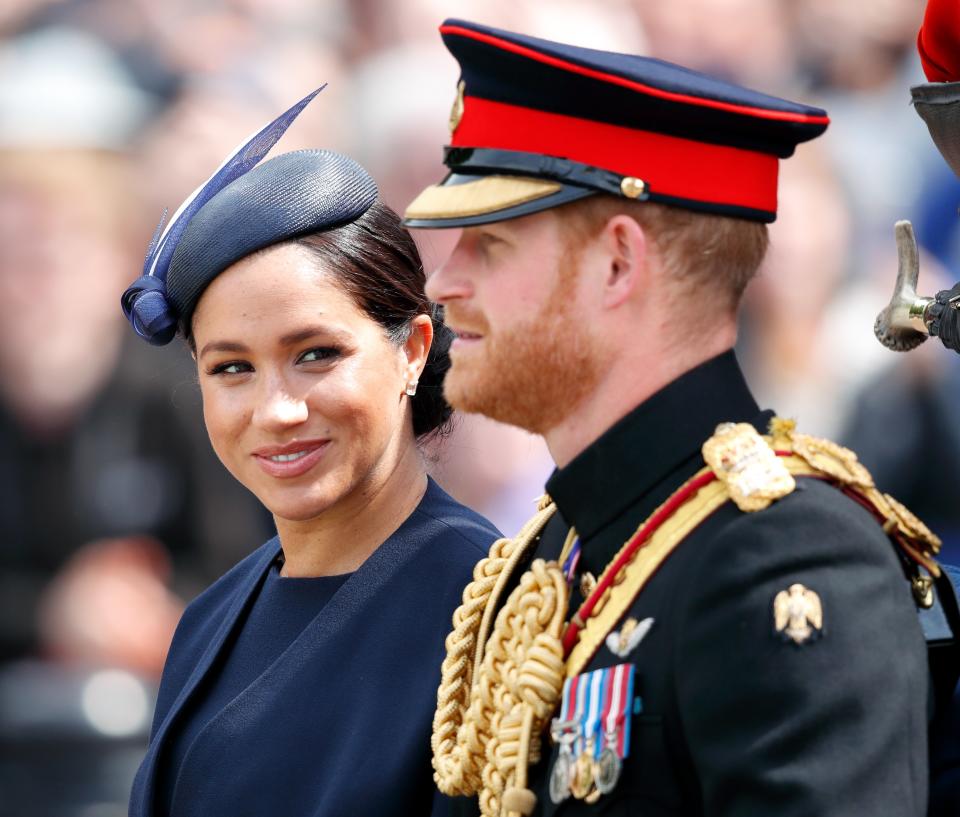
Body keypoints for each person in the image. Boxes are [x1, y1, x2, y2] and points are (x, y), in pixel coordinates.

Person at [402, 20, 941, 816]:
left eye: (490, 243)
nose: (444, 282)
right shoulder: (554, 547)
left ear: (618, 262)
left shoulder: (785, 553)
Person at [120, 90, 500, 816]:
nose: (278, 410)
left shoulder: (481, 611)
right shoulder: (210, 619)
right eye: (232, 368)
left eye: (317, 354)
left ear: (413, 350)